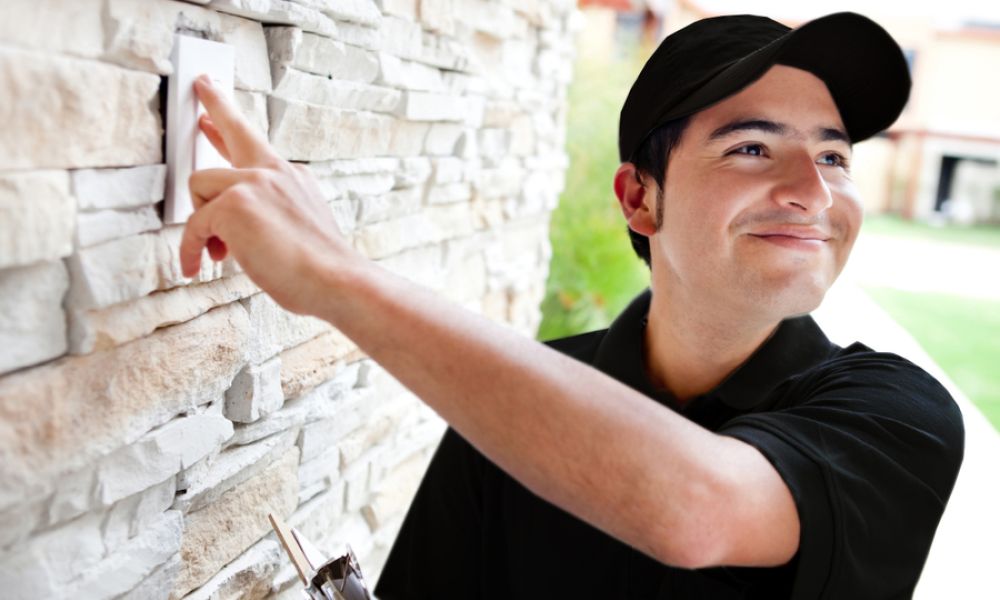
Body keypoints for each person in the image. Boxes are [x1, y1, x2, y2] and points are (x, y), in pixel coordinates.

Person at [181, 11, 964, 599]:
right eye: (752, 148)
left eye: (833, 155)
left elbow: (695, 510)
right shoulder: (519, 404)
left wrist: (333, 275)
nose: (813, 191)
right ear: (639, 198)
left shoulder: (895, 415)